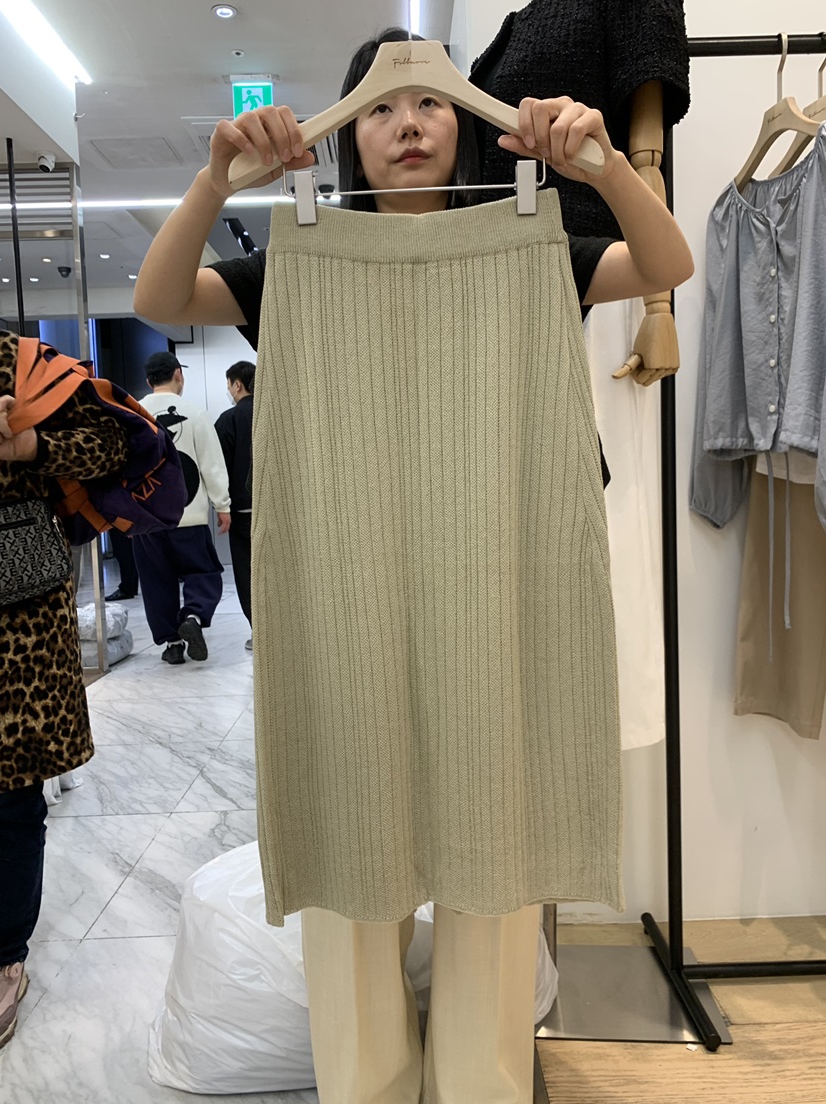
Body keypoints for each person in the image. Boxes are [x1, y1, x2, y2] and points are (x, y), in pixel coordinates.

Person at [134, 28, 692, 1104]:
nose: (407, 123)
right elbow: (161, 298)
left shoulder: (533, 241)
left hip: (497, 590)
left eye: (430, 101)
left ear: (464, 117)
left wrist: (602, 167)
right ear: (348, 133)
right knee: (354, 851)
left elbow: (667, 267)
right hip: (344, 596)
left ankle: (483, 1087)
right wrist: (215, 182)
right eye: (381, 107)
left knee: (494, 846)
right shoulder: (295, 257)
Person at [0, 329, 128, 1051]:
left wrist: (27, 445)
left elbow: (108, 446)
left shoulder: (20, 362)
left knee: (10, 793)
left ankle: (3, 955)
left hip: (13, 616)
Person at [132, 352, 231, 665]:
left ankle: (172, 645)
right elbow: (211, 464)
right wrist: (222, 504)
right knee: (203, 570)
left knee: (155, 580)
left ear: (148, 380)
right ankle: (193, 616)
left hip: (146, 516)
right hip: (189, 514)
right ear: (179, 375)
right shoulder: (195, 413)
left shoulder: (132, 413)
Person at [214, 360, 254, 651]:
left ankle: (259, 632)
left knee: (246, 573)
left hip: (242, 511)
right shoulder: (274, 414)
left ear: (237, 384)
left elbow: (219, 468)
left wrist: (222, 505)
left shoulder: (228, 420)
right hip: (278, 512)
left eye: (229, 385)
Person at [104, 526, 140, 601]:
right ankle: (131, 586)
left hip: (120, 522)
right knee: (127, 549)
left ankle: (127, 588)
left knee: (122, 549)